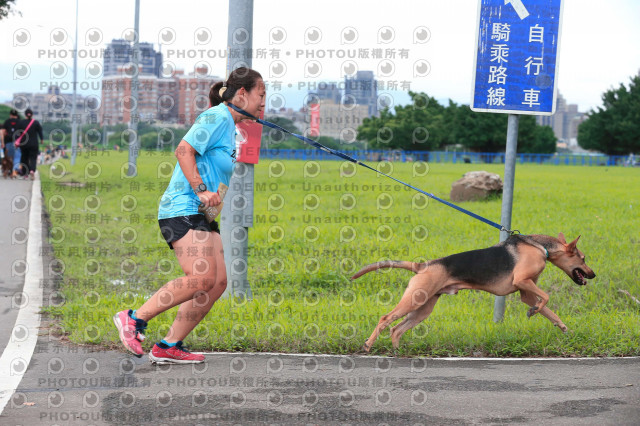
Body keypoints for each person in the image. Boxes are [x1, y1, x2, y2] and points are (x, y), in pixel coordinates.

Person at [113, 67, 265, 364]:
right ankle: (134, 318)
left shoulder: (230, 125)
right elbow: (183, 150)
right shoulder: (216, 117)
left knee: (218, 282)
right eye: (261, 95)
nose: (263, 102)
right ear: (243, 93)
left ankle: (169, 345)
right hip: (181, 207)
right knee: (201, 277)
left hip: (201, 214)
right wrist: (199, 189)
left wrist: (210, 198)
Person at [16, 108, 44, 180]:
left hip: (24, 144)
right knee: (33, 158)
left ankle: (25, 174)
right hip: (33, 144)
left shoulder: (21, 122)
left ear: (25, 114)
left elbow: (18, 133)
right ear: (32, 115)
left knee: (24, 158)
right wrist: (42, 139)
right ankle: (32, 170)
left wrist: (16, 141)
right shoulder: (36, 122)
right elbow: (40, 132)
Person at [2, 109, 21, 178]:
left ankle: (7, 170)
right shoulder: (20, 122)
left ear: (10, 115)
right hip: (17, 142)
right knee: (17, 157)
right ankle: (14, 171)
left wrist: (2, 142)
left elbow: (3, 131)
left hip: (8, 141)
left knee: (8, 157)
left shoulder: (7, 121)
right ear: (16, 115)